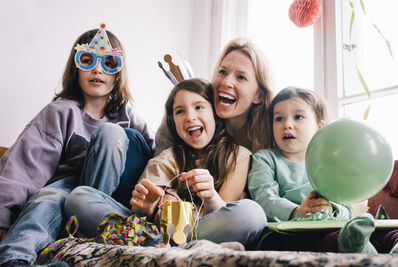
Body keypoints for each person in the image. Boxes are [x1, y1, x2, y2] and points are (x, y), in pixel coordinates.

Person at [0, 24, 154, 267]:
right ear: (76, 67)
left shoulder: (130, 118)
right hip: (69, 190)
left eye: (109, 63)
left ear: (118, 73)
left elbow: (160, 159)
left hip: (116, 202)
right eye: (87, 60)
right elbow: (23, 167)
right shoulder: (60, 112)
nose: (97, 69)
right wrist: (3, 217)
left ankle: (83, 239)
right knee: (47, 198)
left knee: (111, 133)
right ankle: (15, 259)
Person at [64, 78, 267, 248]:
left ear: (214, 113)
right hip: (152, 232)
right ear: (173, 122)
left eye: (199, 107)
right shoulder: (166, 159)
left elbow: (224, 211)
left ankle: (164, 245)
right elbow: (141, 215)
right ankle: (172, 246)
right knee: (78, 197)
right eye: (180, 111)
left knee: (253, 213)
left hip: (202, 228)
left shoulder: (238, 155)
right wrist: (148, 207)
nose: (190, 117)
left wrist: (211, 196)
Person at [247, 87, 356, 252]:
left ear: (320, 127)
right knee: (330, 242)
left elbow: (347, 208)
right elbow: (264, 198)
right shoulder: (265, 158)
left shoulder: (330, 163)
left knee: (377, 232)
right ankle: (356, 246)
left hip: (328, 227)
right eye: (279, 119)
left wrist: (331, 209)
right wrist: (297, 211)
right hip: (283, 234)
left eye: (298, 117)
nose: (287, 125)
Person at [155, 37, 275, 155]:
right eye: (222, 72)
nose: (226, 82)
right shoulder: (184, 112)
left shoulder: (274, 133)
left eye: (241, 77)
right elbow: (159, 164)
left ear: (259, 95)